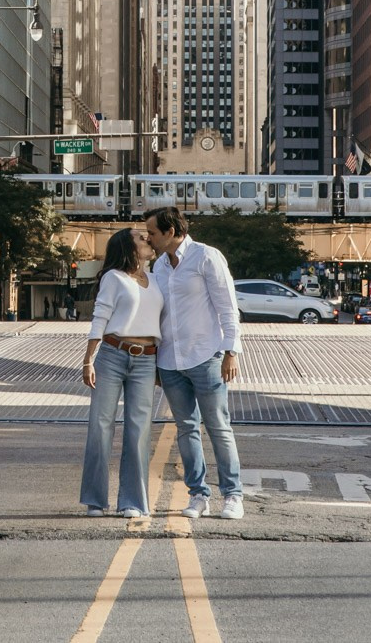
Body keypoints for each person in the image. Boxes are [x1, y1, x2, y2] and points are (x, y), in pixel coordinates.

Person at [145, 210, 244, 520]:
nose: (148, 238)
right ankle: (198, 495)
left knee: (218, 427)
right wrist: (157, 362)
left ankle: (233, 495)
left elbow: (228, 307)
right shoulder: (159, 265)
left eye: (152, 232)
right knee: (186, 429)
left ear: (171, 230)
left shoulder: (206, 257)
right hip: (171, 361)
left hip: (207, 356)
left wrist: (231, 351)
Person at [79, 228, 162, 518]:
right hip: (112, 356)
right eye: (141, 237)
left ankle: (132, 501)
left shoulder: (156, 278)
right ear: (128, 246)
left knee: (139, 431)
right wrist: (88, 359)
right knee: (100, 426)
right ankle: (94, 499)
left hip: (146, 360)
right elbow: (99, 317)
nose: (148, 239)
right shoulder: (113, 278)